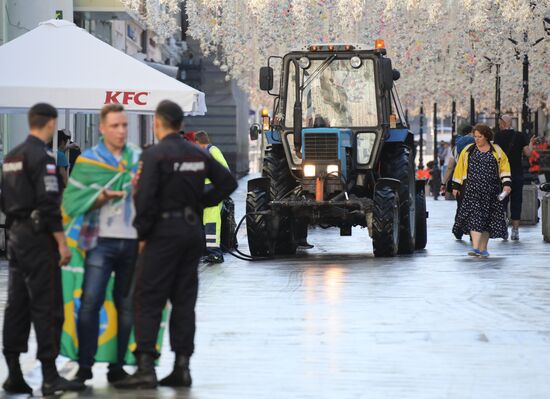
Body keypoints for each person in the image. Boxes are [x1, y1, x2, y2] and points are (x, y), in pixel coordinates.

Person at [115, 100, 237, 389]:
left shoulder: (154, 155)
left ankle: (146, 366)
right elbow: (227, 183)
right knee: (184, 300)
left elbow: (142, 199)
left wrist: (142, 235)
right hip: (191, 231)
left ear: (158, 123)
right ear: (181, 124)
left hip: (162, 233)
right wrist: (200, 201)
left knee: (148, 297)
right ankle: (182, 366)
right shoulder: (197, 153)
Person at [0, 103, 85, 395]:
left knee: (17, 305)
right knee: (48, 306)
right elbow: (49, 204)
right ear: (50, 124)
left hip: (15, 236)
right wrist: (62, 243)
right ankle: (50, 376)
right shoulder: (43, 157)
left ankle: (13, 373)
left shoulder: (11, 156)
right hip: (39, 239)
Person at [62, 104, 141, 384]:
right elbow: (71, 202)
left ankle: (117, 368)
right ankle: (84, 367)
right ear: (103, 128)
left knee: (126, 305)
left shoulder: (137, 158)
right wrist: (101, 197)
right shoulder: (89, 161)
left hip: (132, 240)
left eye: (124, 125)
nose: (121, 131)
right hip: (99, 241)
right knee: (90, 302)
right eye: (115, 126)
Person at [452, 124, 512, 257]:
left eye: (480, 137)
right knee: (475, 218)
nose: (477, 139)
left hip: (491, 192)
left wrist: (506, 184)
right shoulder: (468, 150)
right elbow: (459, 168)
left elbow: (504, 167)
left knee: (487, 221)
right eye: (475, 137)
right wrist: (456, 186)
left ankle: (483, 249)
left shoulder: (496, 151)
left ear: (486, 137)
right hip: (472, 190)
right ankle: (475, 248)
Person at [493, 114, 536, 240]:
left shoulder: (498, 136)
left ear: (503, 123)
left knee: (502, 201)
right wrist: (531, 143)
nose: (499, 125)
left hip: (503, 175)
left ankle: (504, 228)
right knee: (517, 201)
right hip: (517, 174)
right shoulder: (519, 135)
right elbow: (528, 153)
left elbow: (496, 155)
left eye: (500, 123)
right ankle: (515, 231)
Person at [195, 130, 230, 264]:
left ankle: (215, 253)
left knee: (211, 223)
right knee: (205, 224)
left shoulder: (212, 150)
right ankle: (209, 252)